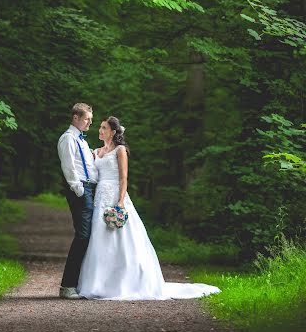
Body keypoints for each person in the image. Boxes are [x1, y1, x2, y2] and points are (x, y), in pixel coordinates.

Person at [77, 116, 221, 300]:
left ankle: (125, 282)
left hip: (114, 195)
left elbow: (123, 178)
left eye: (104, 128)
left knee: (121, 238)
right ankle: (98, 283)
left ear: (113, 132)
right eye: (100, 127)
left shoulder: (120, 150)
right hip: (100, 198)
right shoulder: (96, 152)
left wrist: (120, 202)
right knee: (99, 238)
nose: (100, 130)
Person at [57, 102, 98, 299]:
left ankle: (79, 283)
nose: (90, 123)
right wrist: (79, 190)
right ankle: (67, 286)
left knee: (88, 236)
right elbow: (69, 167)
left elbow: (88, 164)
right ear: (75, 118)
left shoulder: (82, 140)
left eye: (90, 119)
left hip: (89, 188)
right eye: (87, 119)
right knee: (82, 236)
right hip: (80, 190)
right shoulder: (68, 139)